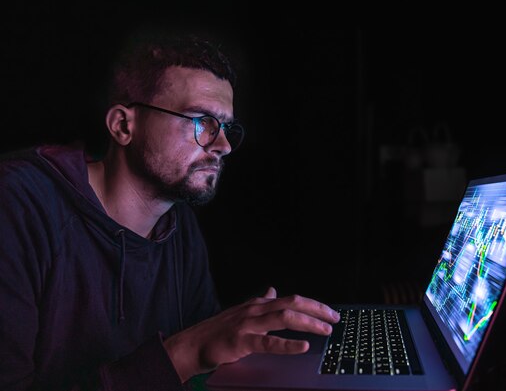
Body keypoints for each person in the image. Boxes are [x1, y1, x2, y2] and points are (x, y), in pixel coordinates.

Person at [0, 28, 340, 391]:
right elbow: (191, 357)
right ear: (123, 125)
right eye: (201, 121)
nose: (223, 145)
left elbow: (202, 377)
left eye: (225, 127)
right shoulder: (18, 206)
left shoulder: (178, 224)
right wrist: (186, 352)